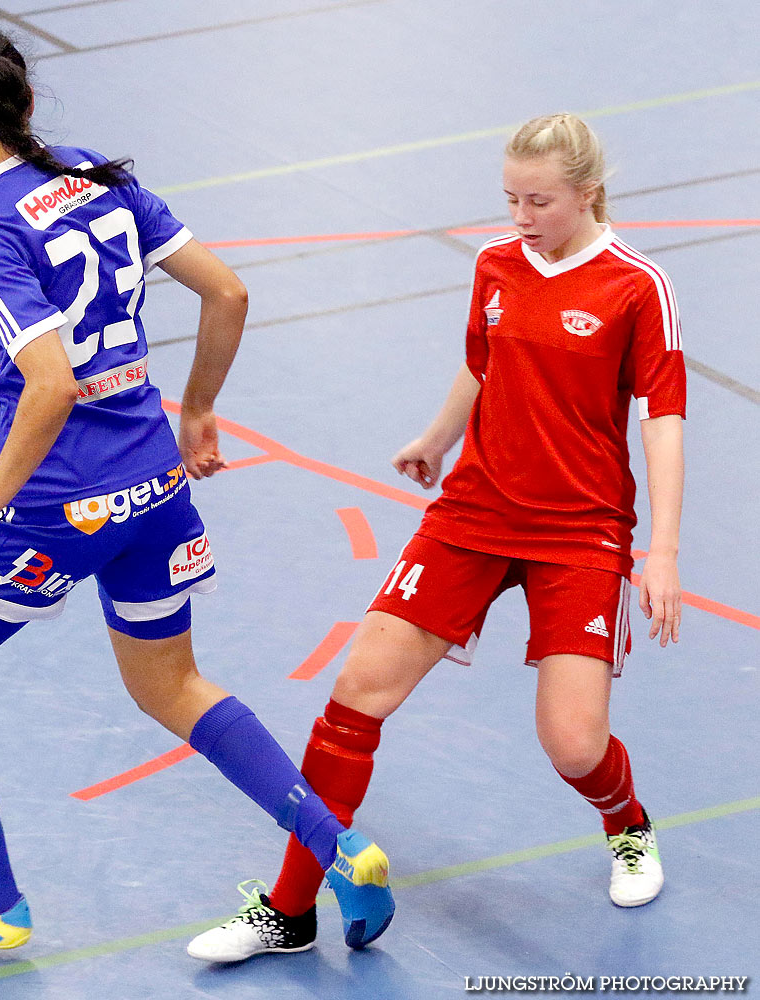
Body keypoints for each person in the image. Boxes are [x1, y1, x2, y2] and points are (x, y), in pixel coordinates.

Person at [0, 25, 397, 954]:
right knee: (172, 685)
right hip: (154, 487)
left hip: (55, 504)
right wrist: (197, 408)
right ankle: (340, 846)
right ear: (27, 103)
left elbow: (46, 382)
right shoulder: (97, 176)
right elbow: (229, 294)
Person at [188, 112, 686, 963]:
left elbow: (664, 419)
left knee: (572, 745)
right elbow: (484, 359)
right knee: (355, 694)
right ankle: (290, 910)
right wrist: (437, 436)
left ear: (587, 194)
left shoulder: (635, 285)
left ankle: (625, 822)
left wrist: (661, 551)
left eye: (540, 201)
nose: (520, 215)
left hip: (580, 531)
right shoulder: (495, 263)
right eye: (510, 198)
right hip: (473, 513)